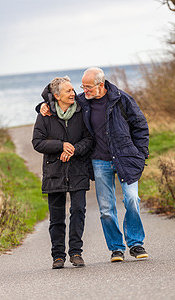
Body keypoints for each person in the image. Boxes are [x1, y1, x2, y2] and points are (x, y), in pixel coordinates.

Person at [38, 67, 149, 263]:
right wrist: (42, 105)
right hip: (99, 160)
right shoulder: (82, 102)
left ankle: (135, 243)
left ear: (101, 84)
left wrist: (141, 154)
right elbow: (58, 101)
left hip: (126, 158)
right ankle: (116, 248)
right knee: (106, 208)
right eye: (82, 86)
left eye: (88, 87)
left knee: (132, 199)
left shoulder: (123, 99)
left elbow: (140, 126)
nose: (83, 91)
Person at [32, 76, 93, 269]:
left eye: (73, 90)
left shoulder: (81, 112)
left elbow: (89, 139)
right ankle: (58, 256)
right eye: (68, 91)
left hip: (77, 168)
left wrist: (74, 149)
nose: (73, 93)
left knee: (78, 211)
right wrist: (61, 146)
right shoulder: (45, 113)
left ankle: (76, 253)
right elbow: (37, 142)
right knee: (56, 217)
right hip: (54, 171)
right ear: (56, 96)